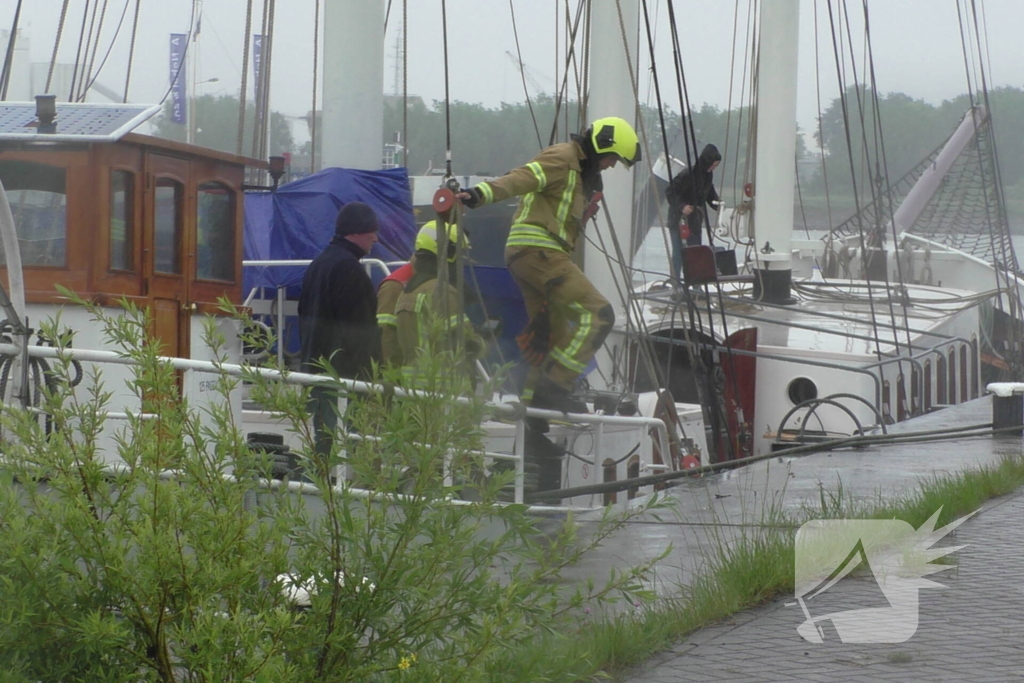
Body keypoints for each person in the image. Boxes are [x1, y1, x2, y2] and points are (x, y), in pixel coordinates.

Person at [458, 116, 640, 417]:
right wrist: (479, 194)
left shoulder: (580, 172)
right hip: (540, 251)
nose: (609, 165)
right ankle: (555, 388)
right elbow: (521, 177)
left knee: (549, 337)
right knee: (599, 314)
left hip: (531, 255)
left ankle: (534, 414)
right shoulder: (563, 157)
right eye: (611, 158)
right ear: (600, 146)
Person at [298, 201, 381, 456]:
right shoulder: (349, 270)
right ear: (356, 232)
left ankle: (321, 483)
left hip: (316, 368)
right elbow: (358, 328)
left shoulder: (319, 264)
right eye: (371, 232)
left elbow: (304, 313)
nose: (375, 239)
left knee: (324, 441)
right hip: (343, 378)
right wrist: (370, 375)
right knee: (350, 446)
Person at [395, 220, 480, 389]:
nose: (460, 259)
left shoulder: (407, 292)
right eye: (458, 252)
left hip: (411, 388)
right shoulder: (442, 292)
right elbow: (466, 343)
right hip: (444, 390)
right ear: (447, 252)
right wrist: (482, 339)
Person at [665, 143, 722, 282]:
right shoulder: (687, 174)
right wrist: (682, 206)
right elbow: (670, 192)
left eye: (716, 166)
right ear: (707, 162)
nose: (713, 168)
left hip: (695, 221)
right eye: (713, 165)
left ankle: (696, 285)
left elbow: (709, 194)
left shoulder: (708, 176)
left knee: (696, 253)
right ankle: (676, 284)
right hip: (678, 220)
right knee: (678, 253)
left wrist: (719, 205)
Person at [376, 255, 416, 370]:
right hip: (409, 374)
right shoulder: (395, 286)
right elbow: (386, 334)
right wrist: (392, 374)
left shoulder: (442, 280)